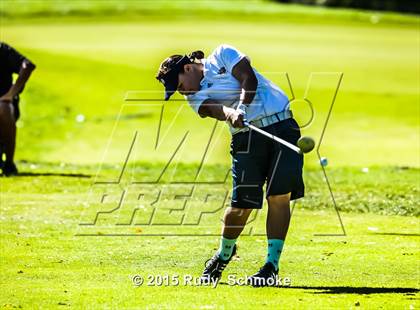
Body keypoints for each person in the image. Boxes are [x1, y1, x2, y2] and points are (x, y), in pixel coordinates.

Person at [156, 44, 304, 287]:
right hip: (246, 138)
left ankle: (270, 266)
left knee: (279, 197)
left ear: (188, 67)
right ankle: (224, 255)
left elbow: (249, 78)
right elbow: (213, 109)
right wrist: (230, 114)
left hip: (283, 127)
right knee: (241, 206)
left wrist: (242, 108)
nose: (181, 92)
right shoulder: (194, 97)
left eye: (180, 85)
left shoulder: (222, 54)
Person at [0, 42, 36, 176]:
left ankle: (9, 163)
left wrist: (11, 94)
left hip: (4, 105)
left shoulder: (2, 50)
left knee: (3, 107)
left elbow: (27, 66)